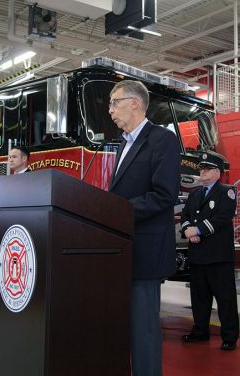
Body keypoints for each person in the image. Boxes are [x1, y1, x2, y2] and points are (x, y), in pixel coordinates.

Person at [108, 80, 180, 376]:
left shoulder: (161, 139)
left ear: (134, 103)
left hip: (146, 251)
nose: (110, 109)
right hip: (122, 249)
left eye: (114, 102)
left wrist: (117, 210)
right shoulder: (123, 144)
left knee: (144, 331)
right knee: (123, 328)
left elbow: (165, 194)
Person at [181, 153, 239, 351]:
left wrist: (198, 231)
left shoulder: (227, 192)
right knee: (199, 298)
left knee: (225, 298)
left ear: (217, 172)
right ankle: (200, 332)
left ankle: (230, 336)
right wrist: (188, 230)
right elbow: (186, 215)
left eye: (207, 168)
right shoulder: (195, 194)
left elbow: (222, 217)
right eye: (201, 167)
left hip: (218, 256)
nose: (202, 170)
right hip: (198, 254)